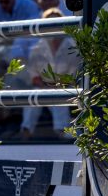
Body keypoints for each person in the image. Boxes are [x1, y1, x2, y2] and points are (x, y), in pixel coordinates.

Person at [19, 8, 79, 140]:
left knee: (59, 97)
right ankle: (26, 132)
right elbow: (33, 73)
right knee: (32, 97)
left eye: (56, 22)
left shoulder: (73, 48)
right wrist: (44, 85)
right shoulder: (37, 49)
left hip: (66, 89)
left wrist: (57, 86)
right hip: (43, 88)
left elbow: (73, 75)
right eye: (49, 22)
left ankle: (62, 132)